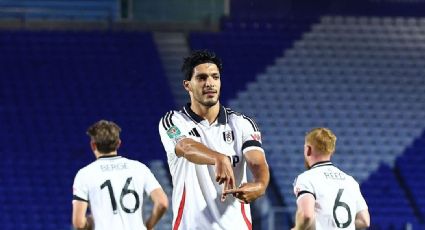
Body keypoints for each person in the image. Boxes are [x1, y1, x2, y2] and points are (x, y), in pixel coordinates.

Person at [158, 50, 270, 230]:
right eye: (201, 78)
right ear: (187, 85)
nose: (209, 83)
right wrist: (218, 157)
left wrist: (260, 184)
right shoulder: (173, 121)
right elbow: (185, 146)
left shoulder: (242, 124)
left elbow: (257, 162)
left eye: (214, 77)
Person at [72, 120, 168, 230]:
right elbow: (162, 203)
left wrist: (89, 224)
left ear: (93, 145)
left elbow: (78, 223)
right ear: (118, 143)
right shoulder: (139, 168)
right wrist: (148, 226)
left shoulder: (85, 174)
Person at [292, 127, 370, 230]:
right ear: (331, 151)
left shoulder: (306, 178)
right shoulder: (350, 181)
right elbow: (365, 221)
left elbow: (306, 216)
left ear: (308, 149)